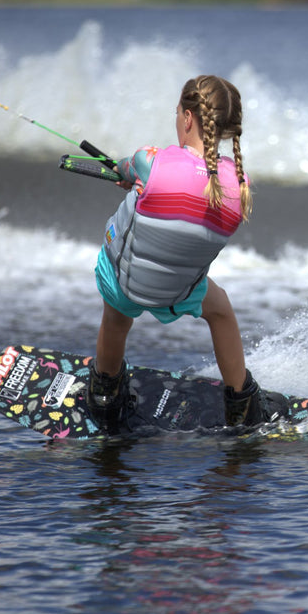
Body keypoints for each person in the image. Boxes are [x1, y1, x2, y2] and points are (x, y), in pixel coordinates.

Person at [88, 74, 265, 434]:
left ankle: (105, 389)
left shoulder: (149, 160)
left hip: (126, 283)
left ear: (188, 118)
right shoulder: (240, 186)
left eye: (177, 114)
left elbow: (127, 167)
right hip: (180, 292)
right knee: (221, 310)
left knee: (117, 318)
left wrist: (130, 178)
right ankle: (240, 402)